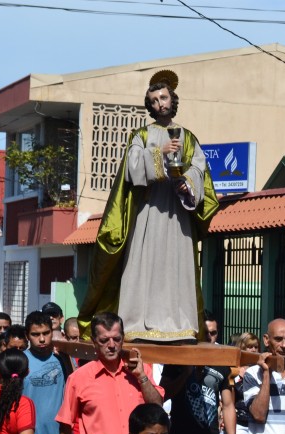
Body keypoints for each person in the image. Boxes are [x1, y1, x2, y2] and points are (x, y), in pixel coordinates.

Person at [78, 70, 218, 342]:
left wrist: (186, 183)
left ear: (172, 99)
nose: (160, 104)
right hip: (148, 210)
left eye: (164, 98)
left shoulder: (188, 137)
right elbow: (131, 167)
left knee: (176, 264)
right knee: (143, 262)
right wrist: (160, 153)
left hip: (177, 214)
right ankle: (137, 323)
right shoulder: (141, 134)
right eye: (154, 100)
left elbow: (200, 167)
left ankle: (180, 324)